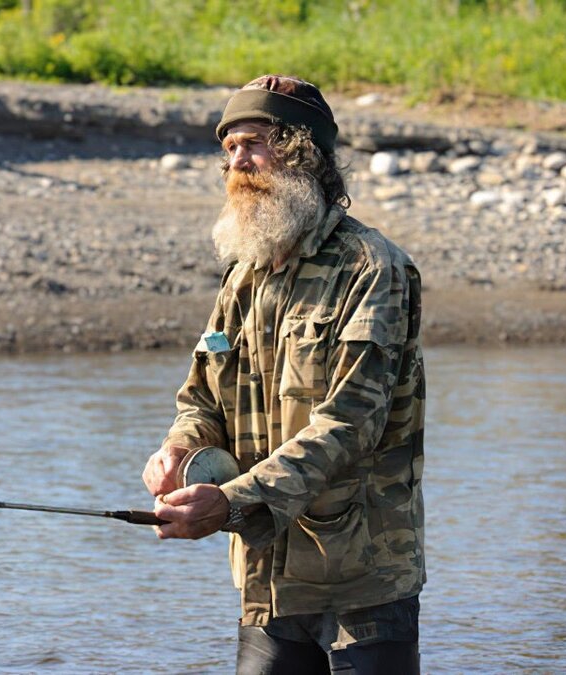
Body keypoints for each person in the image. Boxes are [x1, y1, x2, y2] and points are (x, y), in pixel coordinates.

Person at [142, 75, 426, 674]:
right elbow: (201, 397)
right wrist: (179, 445)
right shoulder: (243, 274)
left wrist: (231, 501)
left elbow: (350, 426)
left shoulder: (374, 270)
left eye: (253, 143)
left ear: (304, 152)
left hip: (363, 583)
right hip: (266, 583)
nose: (237, 163)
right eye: (228, 149)